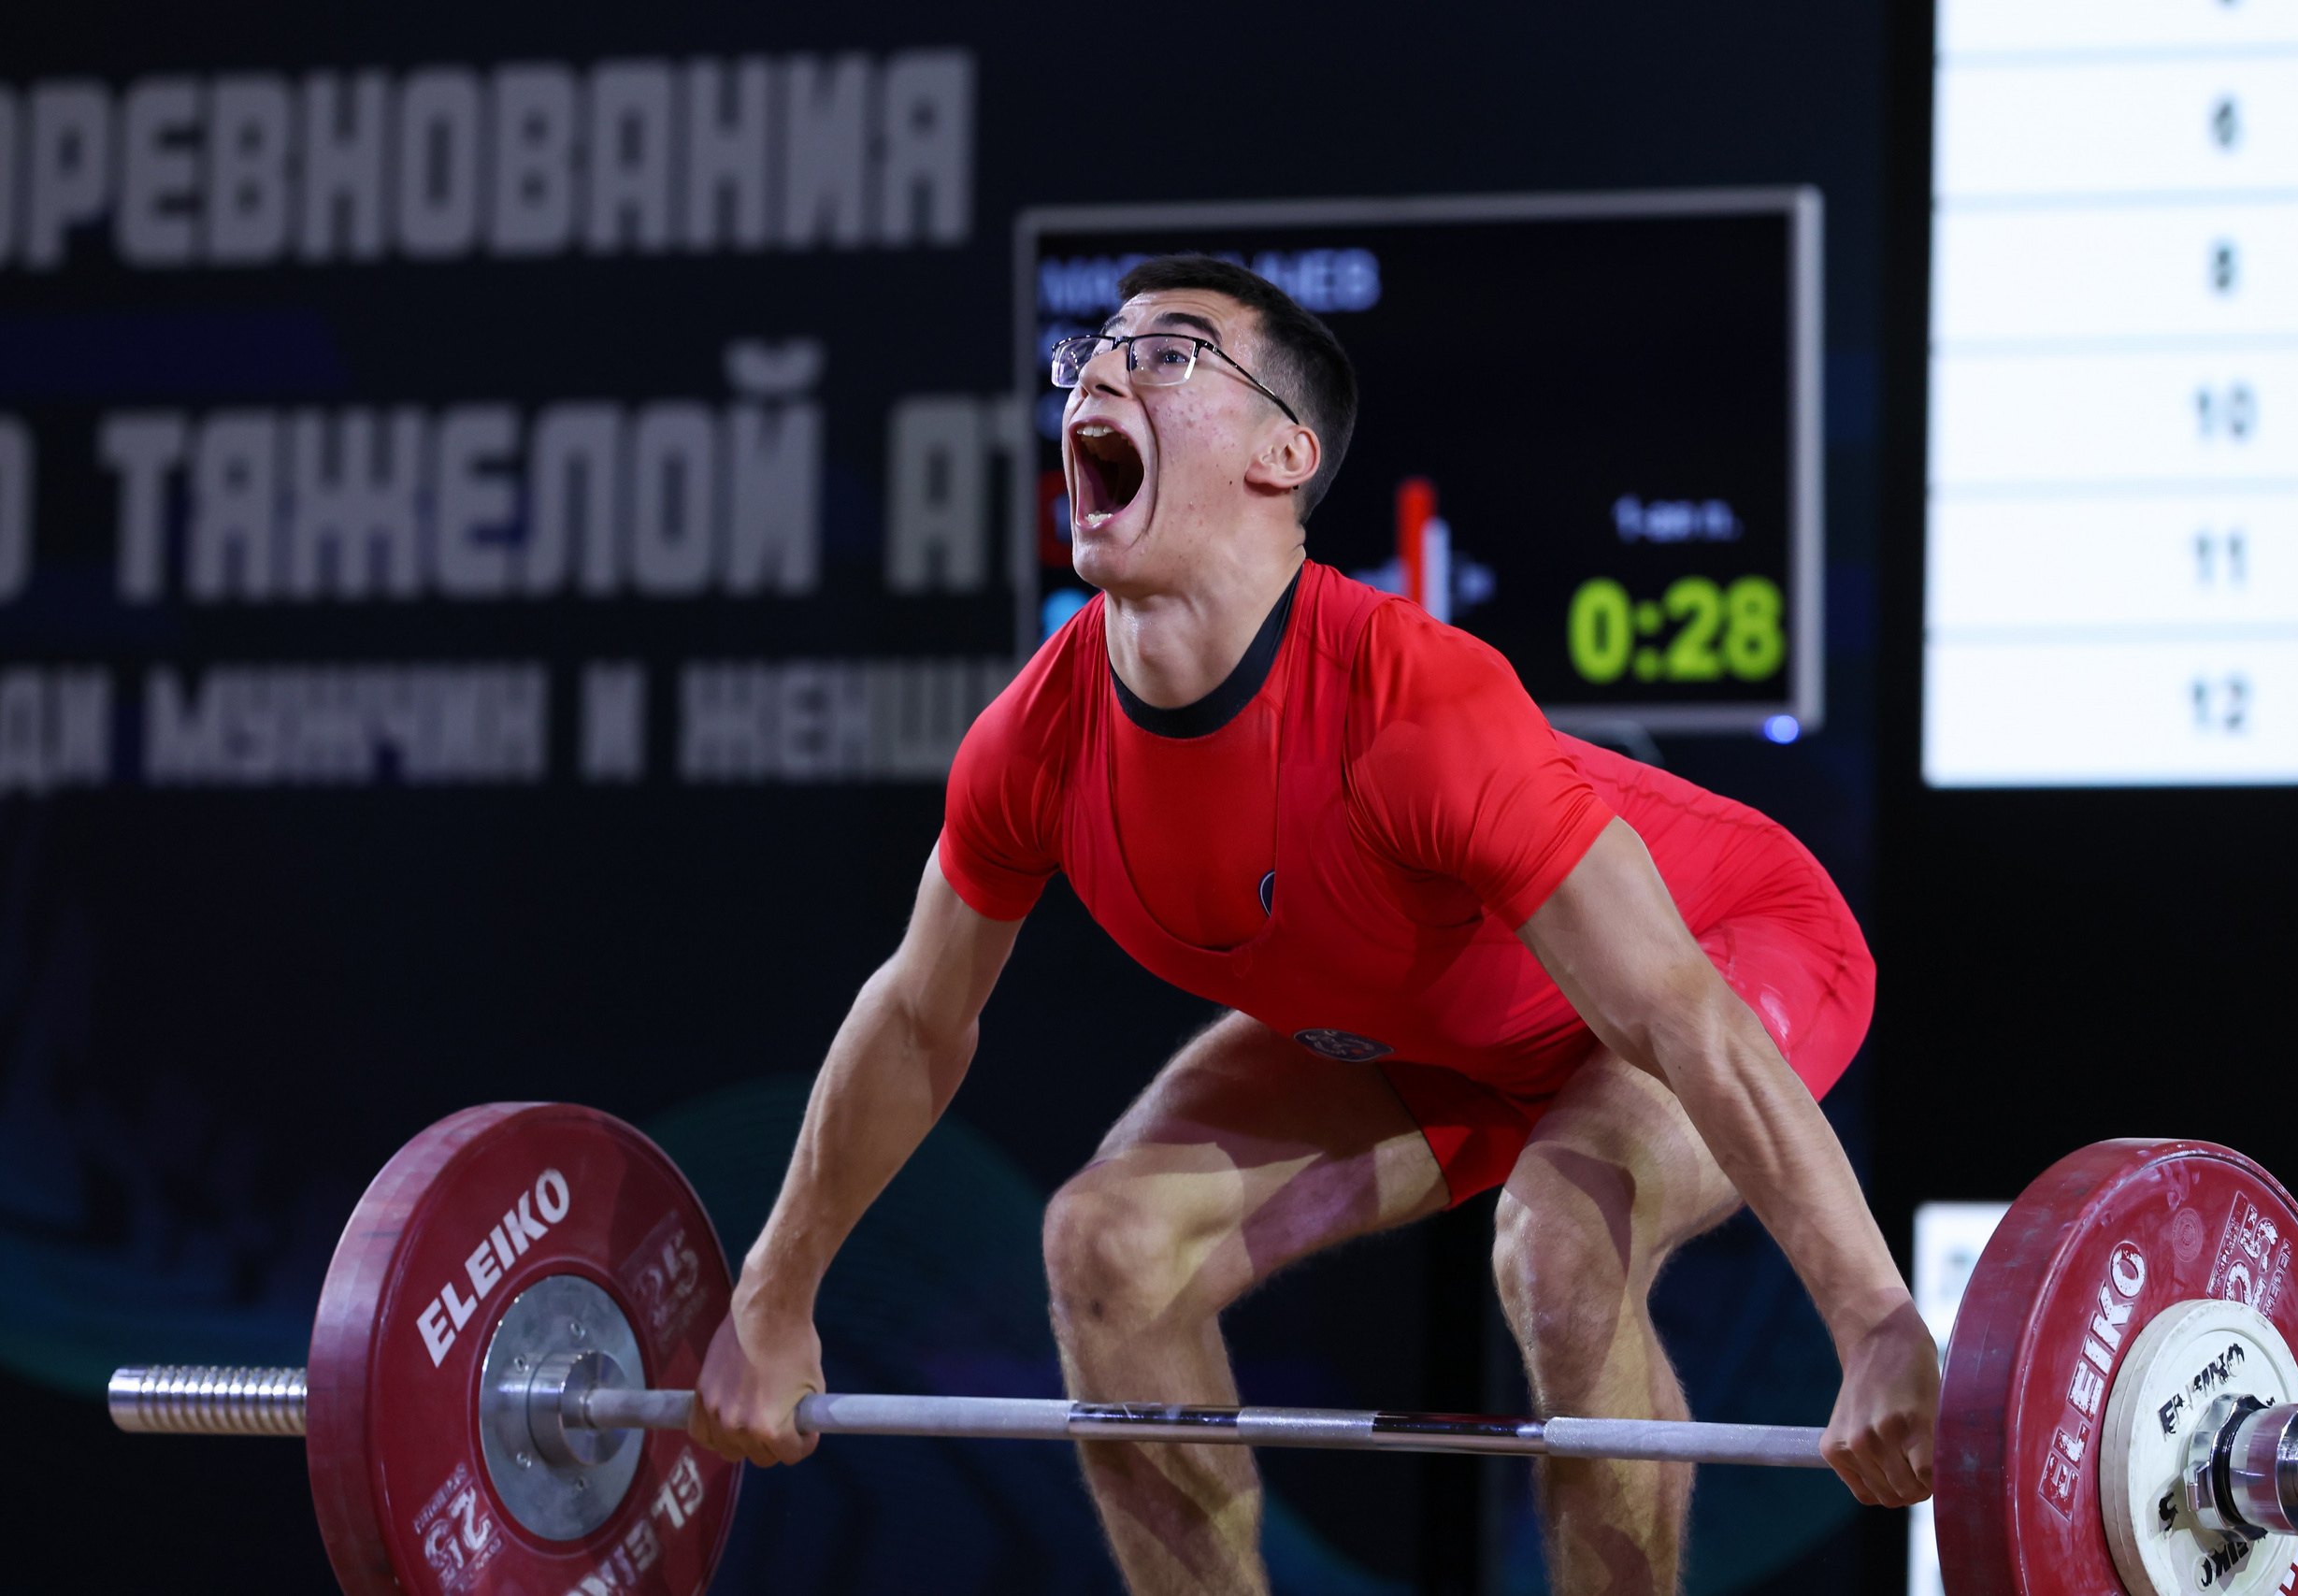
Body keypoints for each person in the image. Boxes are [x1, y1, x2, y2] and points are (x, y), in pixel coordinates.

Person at [692, 255, 1938, 1594]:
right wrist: (772, 1299)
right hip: (1432, 1024)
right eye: (1096, 353)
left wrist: (1874, 1323)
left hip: (1726, 950)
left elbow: (1675, 1013)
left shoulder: (1415, 709)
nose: (1103, 371)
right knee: (1110, 1246)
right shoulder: (1035, 743)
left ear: (1285, 455)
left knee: (1565, 1244)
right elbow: (916, 1021)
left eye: (1168, 353)